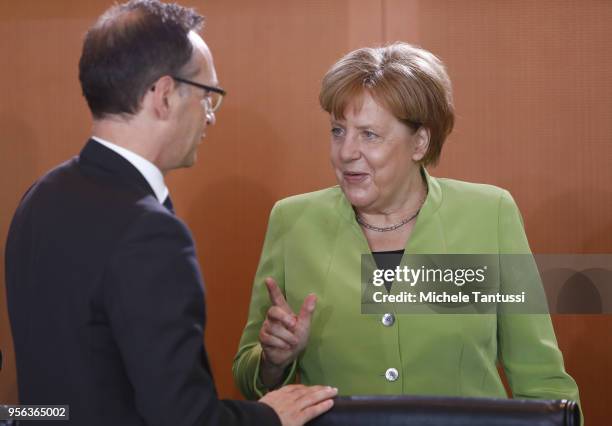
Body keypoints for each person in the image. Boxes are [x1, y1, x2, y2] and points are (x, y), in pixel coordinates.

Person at [4, 1, 337, 425]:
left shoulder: (41, 196)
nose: (210, 118)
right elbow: (183, 417)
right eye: (207, 96)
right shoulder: (149, 232)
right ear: (163, 95)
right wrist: (268, 417)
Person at [233, 43, 581, 406]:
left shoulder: (490, 214)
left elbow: (543, 382)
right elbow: (249, 377)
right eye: (338, 131)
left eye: (368, 134)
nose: (346, 151)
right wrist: (275, 361)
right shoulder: (292, 221)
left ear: (420, 142)